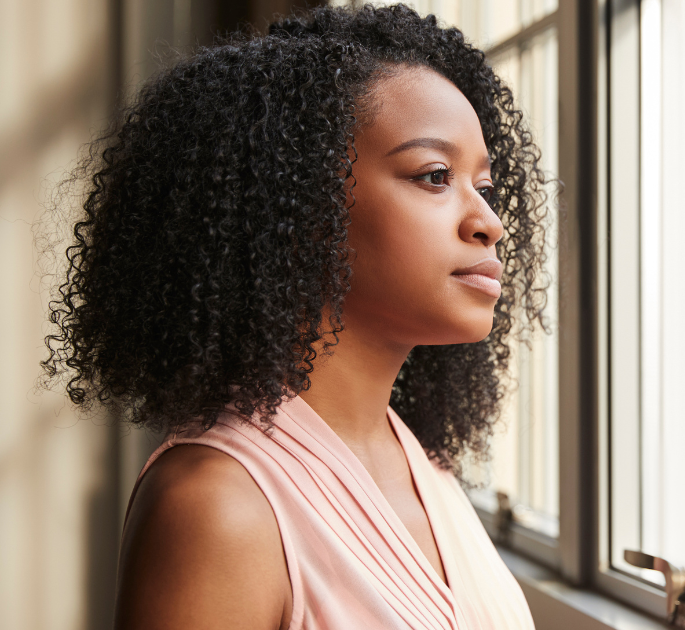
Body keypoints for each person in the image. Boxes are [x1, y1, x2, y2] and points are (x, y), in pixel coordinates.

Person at [43, 4, 549, 628]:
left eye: (486, 187)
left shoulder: (420, 462)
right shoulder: (217, 505)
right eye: (435, 175)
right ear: (302, 206)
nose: (489, 222)